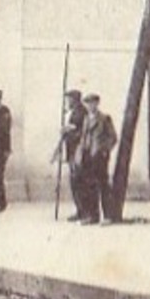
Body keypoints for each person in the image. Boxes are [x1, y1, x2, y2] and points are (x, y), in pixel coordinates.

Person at [78, 92, 118, 225]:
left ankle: (107, 216)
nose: (90, 106)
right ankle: (92, 216)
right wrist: (81, 152)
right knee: (89, 187)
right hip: (87, 155)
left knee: (103, 185)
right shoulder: (86, 119)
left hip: (99, 157)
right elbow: (84, 137)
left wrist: (104, 150)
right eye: (88, 104)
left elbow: (113, 138)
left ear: (97, 103)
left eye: (93, 103)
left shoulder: (104, 118)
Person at [60, 89, 88, 222]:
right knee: (75, 182)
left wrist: (69, 132)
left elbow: (83, 133)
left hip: (79, 153)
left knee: (79, 182)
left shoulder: (81, 113)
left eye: (69, 99)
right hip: (72, 152)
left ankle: (84, 211)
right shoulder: (73, 112)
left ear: (75, 100)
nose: (68, 102)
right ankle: (80, 210)